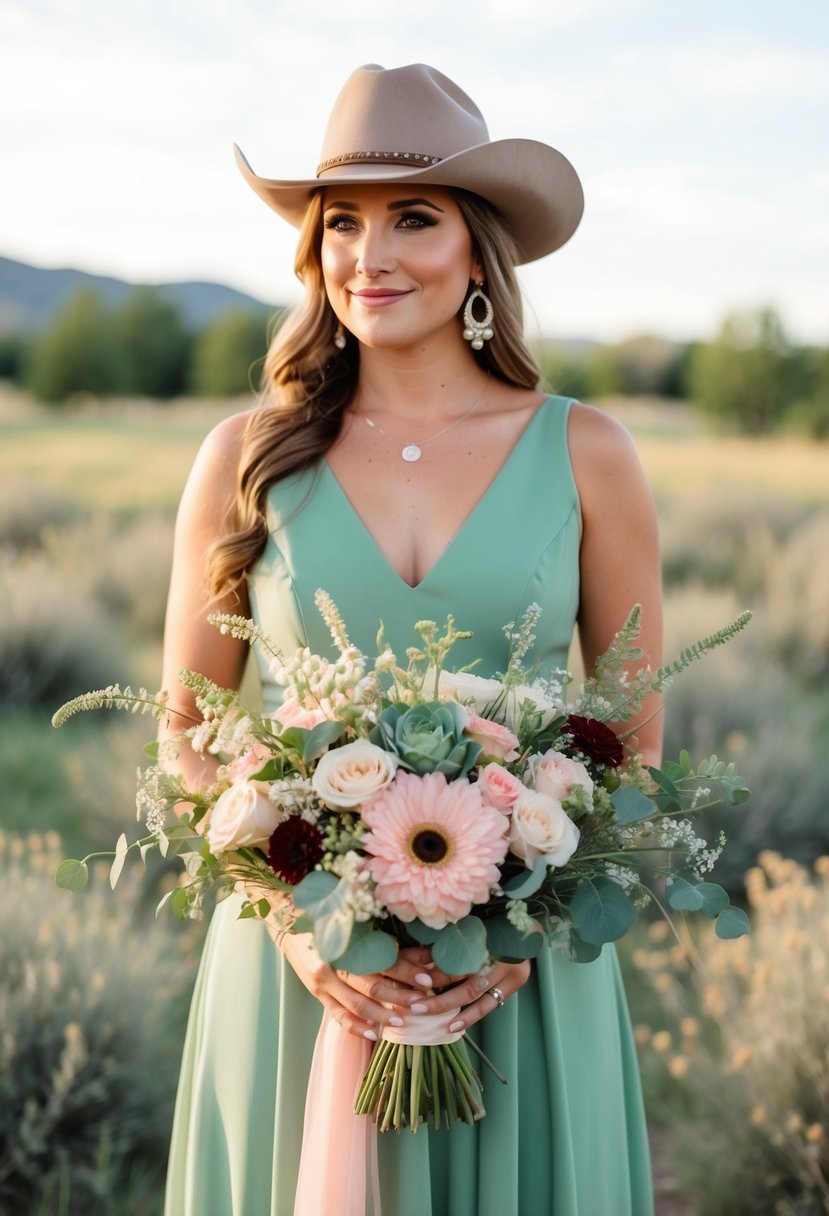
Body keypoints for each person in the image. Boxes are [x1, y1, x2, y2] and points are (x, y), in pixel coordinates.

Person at [161, 63, 661, 1216]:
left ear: (479, 248)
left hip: (518, 987)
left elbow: (629, 743)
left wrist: (516, 929)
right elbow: (183, 735)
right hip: (302, 982)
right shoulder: (246, 455)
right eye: (341, 223)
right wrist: (301, 922)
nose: (367, 256)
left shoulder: (588, 452)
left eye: (413, 219)